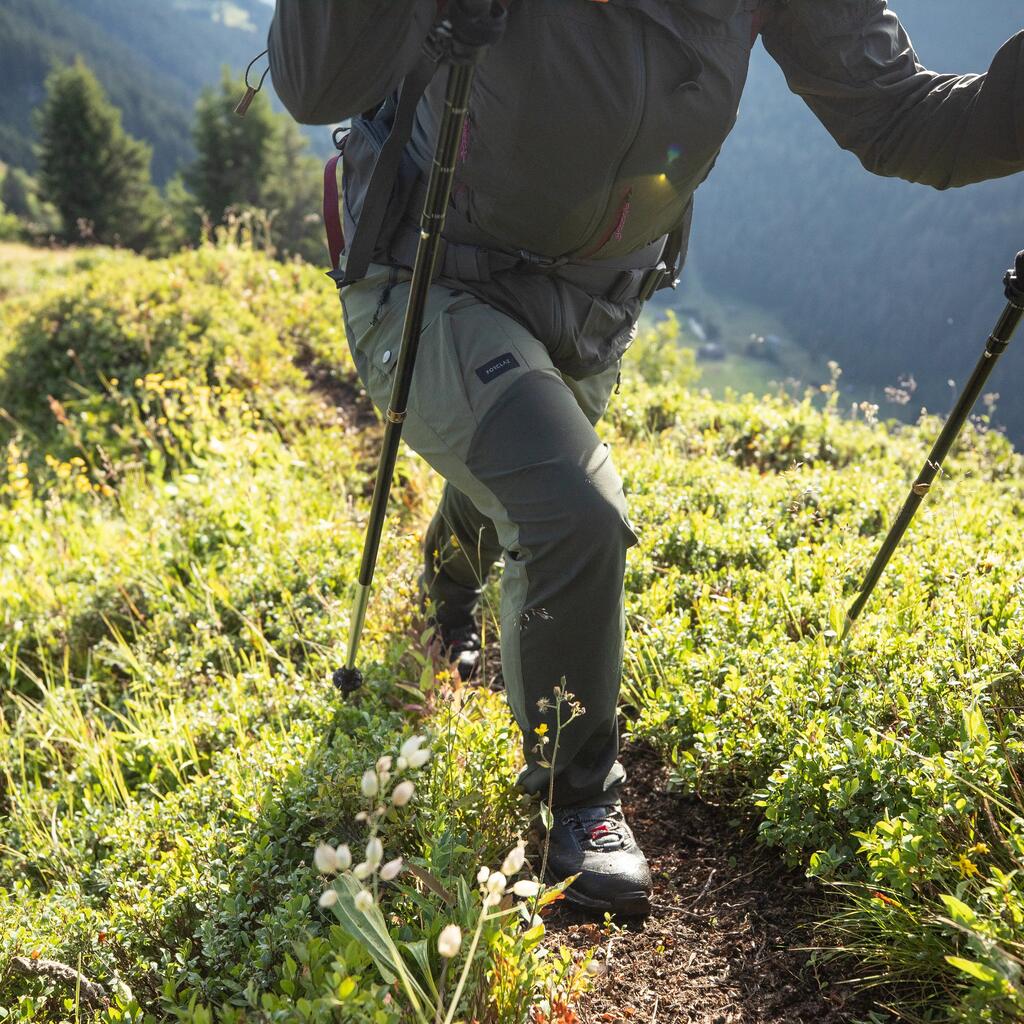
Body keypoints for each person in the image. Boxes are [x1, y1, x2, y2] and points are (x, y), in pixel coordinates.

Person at [268, 0, 1024, 916]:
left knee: (523, 468)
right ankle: (574, 805)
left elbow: (907, 118)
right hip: (428, 267)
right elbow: (314, 83)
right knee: (570, 506)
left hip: (594, 304)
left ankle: (448, 580)